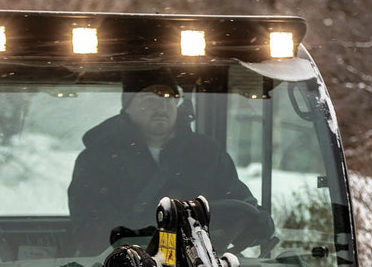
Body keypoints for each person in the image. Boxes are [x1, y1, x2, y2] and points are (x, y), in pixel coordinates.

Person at [67, 70, 271, 253]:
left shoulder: (206, 152)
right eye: (150, 99)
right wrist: (154, 237)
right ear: (127, 107)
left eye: (168, 99)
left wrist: (257, 219)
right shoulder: (96, 160)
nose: (161, 107)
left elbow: (236, 198)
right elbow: (91, 228)